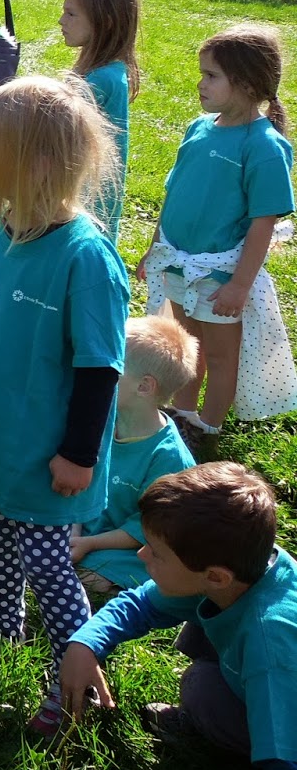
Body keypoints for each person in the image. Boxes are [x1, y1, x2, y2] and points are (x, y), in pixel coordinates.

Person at [0, 75, 128, 737]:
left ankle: (74, 682)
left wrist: (78, 454)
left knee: (48, 563)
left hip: (43, 455)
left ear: (33, 163)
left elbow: (100, 367)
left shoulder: (84, 256)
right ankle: (0, 631)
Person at [60, 463, 297, 770]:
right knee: (198, 608)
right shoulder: (237, 571)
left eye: (157, 554)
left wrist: (276, 757)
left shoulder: (270, 642)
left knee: (200, 688)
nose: (142, 555)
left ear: (215, 576)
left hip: (288, 710)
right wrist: (85, 644)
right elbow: (139, 606)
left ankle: (212, 725)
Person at [138, 24, 297, 456]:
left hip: (220, 270)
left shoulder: (263, 146)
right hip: (178, 260)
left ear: (245, 83)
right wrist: (155, 246)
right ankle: (184, 416)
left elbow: (264, 221)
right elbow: (173, 195)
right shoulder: (199, 128)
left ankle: (208, 427)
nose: (200, 83)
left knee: (221, 355)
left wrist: (240, 285)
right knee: (187, 345)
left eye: (211, 76)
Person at [72, 316, 199, 597]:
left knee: (87, 577)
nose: (100, 373)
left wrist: (89, 544)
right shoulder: (102, 420)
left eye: (113, 368)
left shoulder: (168, 458)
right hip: (85, 527)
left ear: (144, 387)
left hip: (130, 546)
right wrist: (75, 531)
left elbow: (147, 527)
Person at [60, 0, 141, 242]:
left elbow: (57, 129)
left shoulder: (101, 79)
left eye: (71, 14)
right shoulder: (104, 71)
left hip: (86, 195)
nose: (62, 21)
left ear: (104, 22)